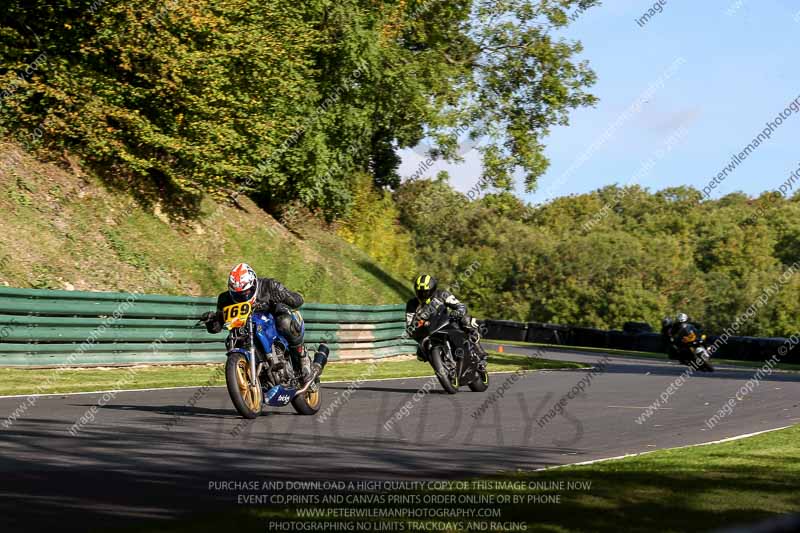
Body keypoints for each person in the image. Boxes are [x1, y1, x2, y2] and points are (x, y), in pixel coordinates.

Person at [201, 263, 318, 382]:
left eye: (246, 293)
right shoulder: (225, 299)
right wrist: (211, 320)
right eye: (238, 295)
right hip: (244, 329)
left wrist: (284, 297)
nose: (242, 297)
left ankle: (304, 360)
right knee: (230, 340)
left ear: (254, 284)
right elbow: (216, 328)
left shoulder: (269, 285)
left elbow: (298, 300)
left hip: (271, 321)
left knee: (284, 322)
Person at [405, 274, 487, 366]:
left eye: (426, 292)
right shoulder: (412, 304)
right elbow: (409, 326)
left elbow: (460, 306)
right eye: (420, 292)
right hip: (427, 333)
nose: (423, 295)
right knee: (420, 354)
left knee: (466, 321)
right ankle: (442, 366)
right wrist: (418, 323)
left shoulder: (442, 294)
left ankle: (480, 354)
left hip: (447, 324)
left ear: (432, 290)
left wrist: (458, 311)